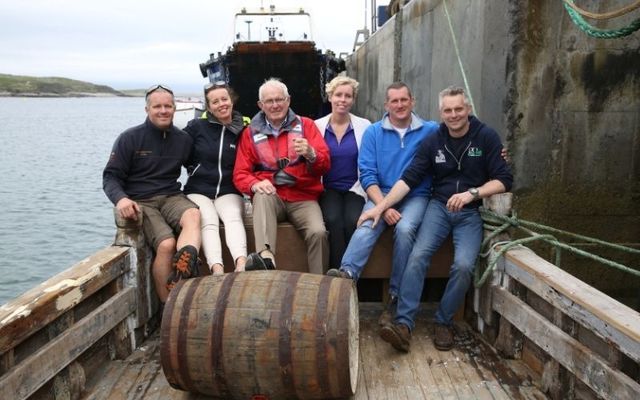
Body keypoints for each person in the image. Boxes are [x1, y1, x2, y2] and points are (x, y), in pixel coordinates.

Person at [362, 86, 513, 352]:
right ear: (440, 113)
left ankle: (443, 321)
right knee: (418, 256)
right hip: (438, 208)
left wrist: (472, 193)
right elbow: (410, 178)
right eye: (448, 110)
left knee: (464, 265)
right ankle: (404, 324)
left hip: (469, 214)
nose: (453, 115)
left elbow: (504, 179)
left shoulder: (486, 137)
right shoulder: (433, 139)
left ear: (467, 109)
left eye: (458, 109)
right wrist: (381, 206)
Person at [326, 82, 439, 326]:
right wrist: (383, 207)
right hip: (381, 194)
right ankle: (347, 276)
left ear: (413, 101)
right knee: (367, 224)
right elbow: (367, 174)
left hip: (415, 196)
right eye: (394, 101)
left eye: (403, 100)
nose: (399, 105)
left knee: (406, 229)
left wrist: (495, 153)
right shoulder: (374, 133)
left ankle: (395, 296)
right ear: (386, 105)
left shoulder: (430, 130)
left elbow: (459, 134)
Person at [103, 84, 201, 303]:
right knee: (166, 245)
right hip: (141, 200)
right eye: (157, 106)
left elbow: (199, 168)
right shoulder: (130, 138)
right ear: (147, 109)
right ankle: (169, 306)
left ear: (175, 109)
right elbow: (110, 176)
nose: (163, 111)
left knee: (193, 215)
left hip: (171, 196)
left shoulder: (183, 140)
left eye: (168, 106)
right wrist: (121, 199)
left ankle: (184, 265)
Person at [233, 78, 331, 274]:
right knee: (261, 194)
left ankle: (320, 282)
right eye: (269, 101)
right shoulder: (249, 133)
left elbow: (325, 165)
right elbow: (240, 173)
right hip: (272, 198)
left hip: (303, 197)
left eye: (279, 99)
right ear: (261, 105)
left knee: (318, 233)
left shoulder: (307, 126)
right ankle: (266, 259)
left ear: (288, 101)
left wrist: (311, 153)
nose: (275, 105)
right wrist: (254, 184)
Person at [183, 82, 249, 275]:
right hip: (198, 188)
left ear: (231, 100)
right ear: (209, 106)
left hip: (229, 189)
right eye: (215, 102)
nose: (221, 104)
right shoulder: (197, 127)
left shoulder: (244, 129)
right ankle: (217, 268)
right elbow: (178, 150)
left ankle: (241, 264)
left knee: (233, 217)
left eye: (224, 99)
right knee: (208, 220)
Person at [314, 76, 371, 269]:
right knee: (332, 220)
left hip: (355, 187)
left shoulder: (364, 126)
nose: (343, 100)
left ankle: (351, 273)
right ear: (330, 97)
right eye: (338, 95)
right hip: (327, 188)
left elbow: (369, 161)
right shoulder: (316, 126)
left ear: (353, 100)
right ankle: (336, 273)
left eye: (348, 96)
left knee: (353, 220)